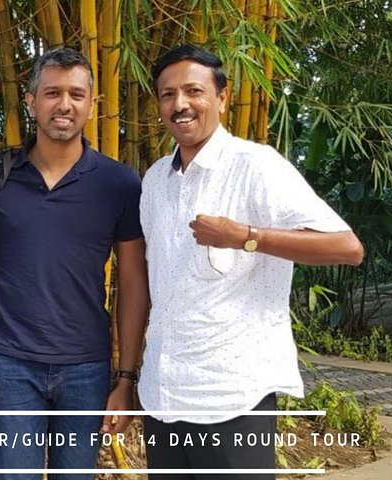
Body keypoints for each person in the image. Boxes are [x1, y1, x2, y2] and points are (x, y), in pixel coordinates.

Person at [138, 44, 364, 480]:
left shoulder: (256, 165)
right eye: (168, 94)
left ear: (222, 97)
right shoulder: (155, 180)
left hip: (232, 395)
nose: (180, 104)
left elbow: (347, 247)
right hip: (164, 394)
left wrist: (245, 237)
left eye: (193, 91)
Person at [0, 47, 149, 479]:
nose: (64, 104)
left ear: (92, 104)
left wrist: (126, 378)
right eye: (52, 93)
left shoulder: (119, 184)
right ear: (31, 101)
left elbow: (133, 282)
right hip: (7, 365)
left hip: (87, 367)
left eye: (76, 94)